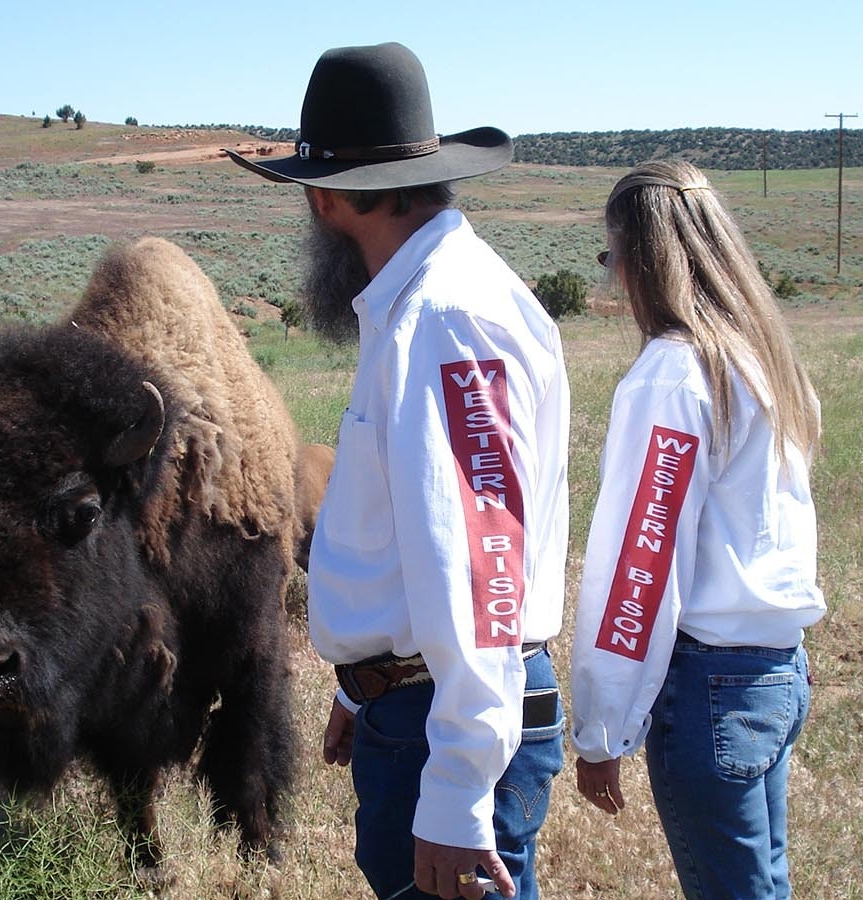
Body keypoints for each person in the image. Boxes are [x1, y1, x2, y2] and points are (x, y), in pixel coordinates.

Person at [227, 42, 571, 900]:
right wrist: (363, 683)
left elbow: (483, 566)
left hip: (445, 721)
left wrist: (455, 794)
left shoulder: (445, 318)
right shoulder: (423, 302)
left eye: (311, 195)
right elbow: (412, 528)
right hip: (421, 706)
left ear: (332, 196)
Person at [569, 160, 825, 899]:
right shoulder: (765, 360)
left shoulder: (675, 374)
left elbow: (639, 568)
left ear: (645, 259)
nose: (614, 279)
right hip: (777, 672)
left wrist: (602, 727)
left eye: (612, 258)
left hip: (712, 685)